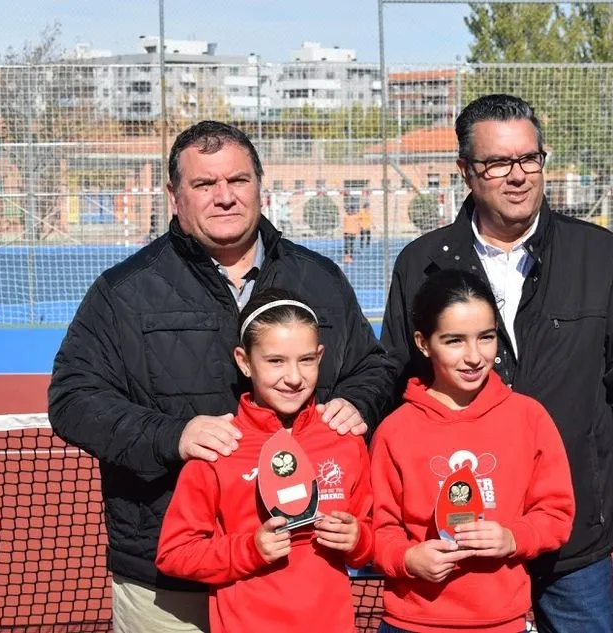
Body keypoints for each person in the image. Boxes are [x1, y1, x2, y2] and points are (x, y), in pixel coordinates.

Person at [48, 120, 394, 633]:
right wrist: (172, 435)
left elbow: (373, 367)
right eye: (204, 184)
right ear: (174, 197)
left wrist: (359, 401)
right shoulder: (124, 291)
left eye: (237, 180)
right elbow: (73, 399)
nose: (225, 196)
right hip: (168, 582)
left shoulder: (319, 278)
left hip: (295, 578)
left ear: (259, 185)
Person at [381, 94, 613, 633]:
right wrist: (399, 543)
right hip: (459, 552)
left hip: (574, 543)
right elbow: (397, 394)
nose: (518, 175)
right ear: (466, 171)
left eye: (529, 158)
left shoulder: (601, 257)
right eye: (498, 163)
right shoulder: (419, 264)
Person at [156, 288, 372, 632]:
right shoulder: (219, 446)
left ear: (320, 356)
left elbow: (372, 536)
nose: (294, 377)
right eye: (275, 361)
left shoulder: (344, 438)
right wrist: (249, 549)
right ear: (244, 361)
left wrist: (358, 539)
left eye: (306, 360)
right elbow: (174, 553)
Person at [371, 269, 575, 633]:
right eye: (454, 341)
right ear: (423, 343)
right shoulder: (394, 430)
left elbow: (556, 513)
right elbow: (378, 529)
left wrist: (513, 538)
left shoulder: (529, 418)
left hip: (501, 622)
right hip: (411, 623)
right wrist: (408, 558)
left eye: (486, 337)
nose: (474, 356)